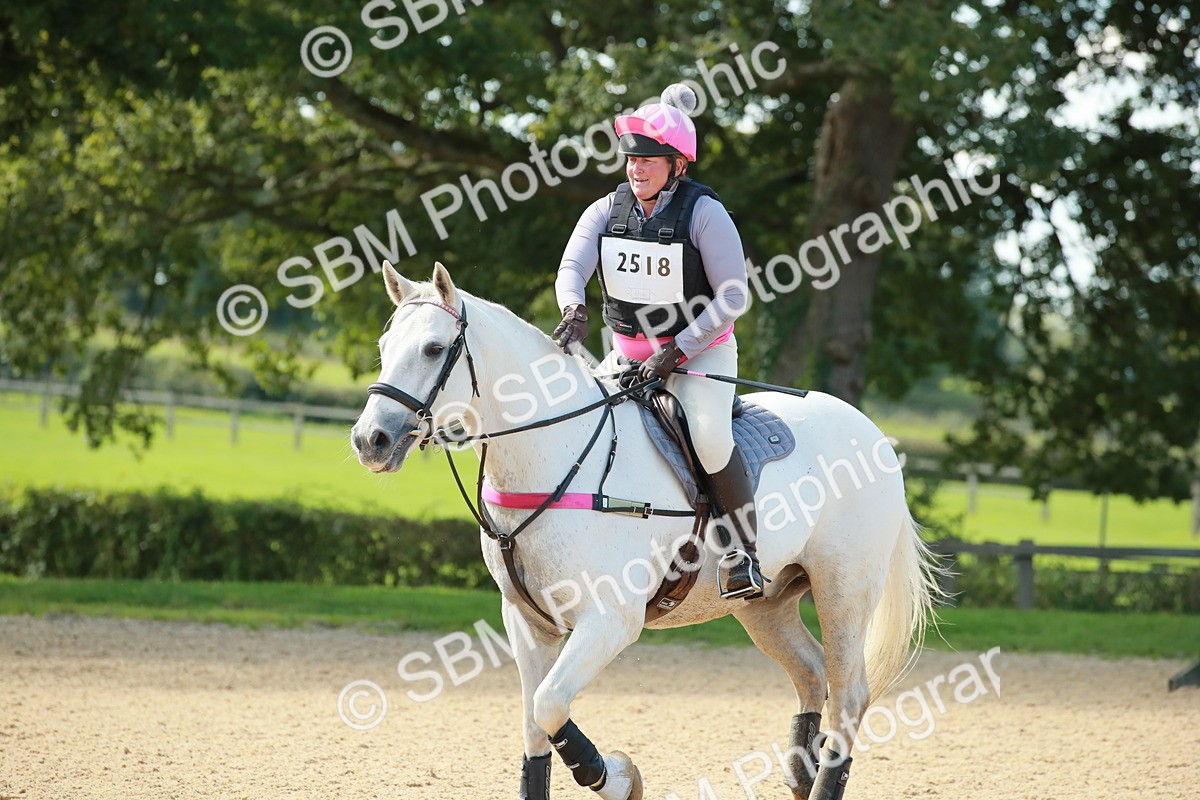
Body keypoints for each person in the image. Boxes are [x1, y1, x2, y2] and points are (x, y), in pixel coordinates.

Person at [551, 84, 767, 600]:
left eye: (648, 160)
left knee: (709, 438)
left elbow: (733, 295)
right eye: (631, 159)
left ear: (677, 165)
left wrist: (680, 348)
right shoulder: (606, 209)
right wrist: (573, 309)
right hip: (626, 357)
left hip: (700, 354)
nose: (636, 168)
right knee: (576, 425)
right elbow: (571, 268)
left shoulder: (705, 213)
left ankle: (742, 554)